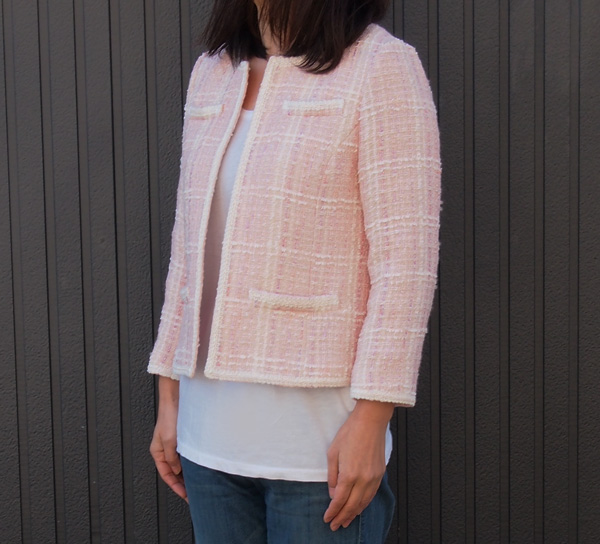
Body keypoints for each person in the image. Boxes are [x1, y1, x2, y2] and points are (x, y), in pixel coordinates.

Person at [148, 0, 442, 542]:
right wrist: (170, 396)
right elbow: (186, 249)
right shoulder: (214, 69)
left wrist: (373, 417)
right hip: (206, 442)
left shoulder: (380, 65)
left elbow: (406, 264)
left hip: (318, 454)